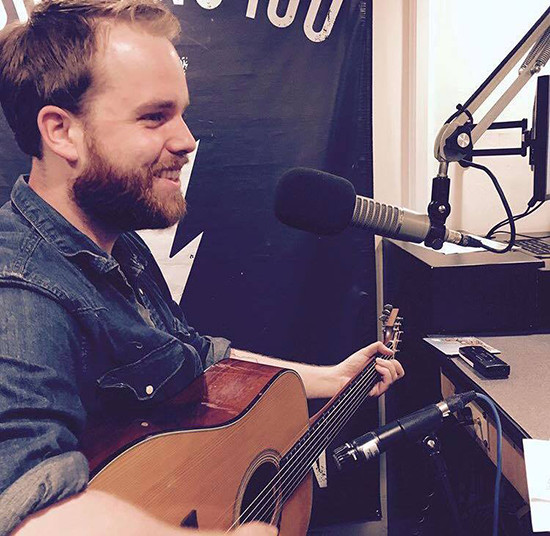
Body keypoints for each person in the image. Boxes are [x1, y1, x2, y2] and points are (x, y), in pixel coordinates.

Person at [0, 1, 405, 534]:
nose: (187, 140)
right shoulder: (21, 288)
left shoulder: (119, 246)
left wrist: (329, 379)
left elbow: (197, 360)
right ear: (61, 131)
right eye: (154, 116)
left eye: (182, 114)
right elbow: (24, 505)